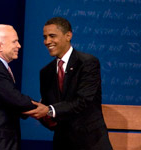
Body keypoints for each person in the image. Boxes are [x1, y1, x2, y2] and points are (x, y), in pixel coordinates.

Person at [23, 17, 113, 150]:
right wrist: (39, 113)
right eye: (45, 37)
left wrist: (48, 110)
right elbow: (50, 109)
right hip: (63, 142)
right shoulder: (45, 72)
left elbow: (82, 101)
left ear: (68, 35)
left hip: (90, 142)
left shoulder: (87, 63)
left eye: (52, 36)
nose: (47, 42)